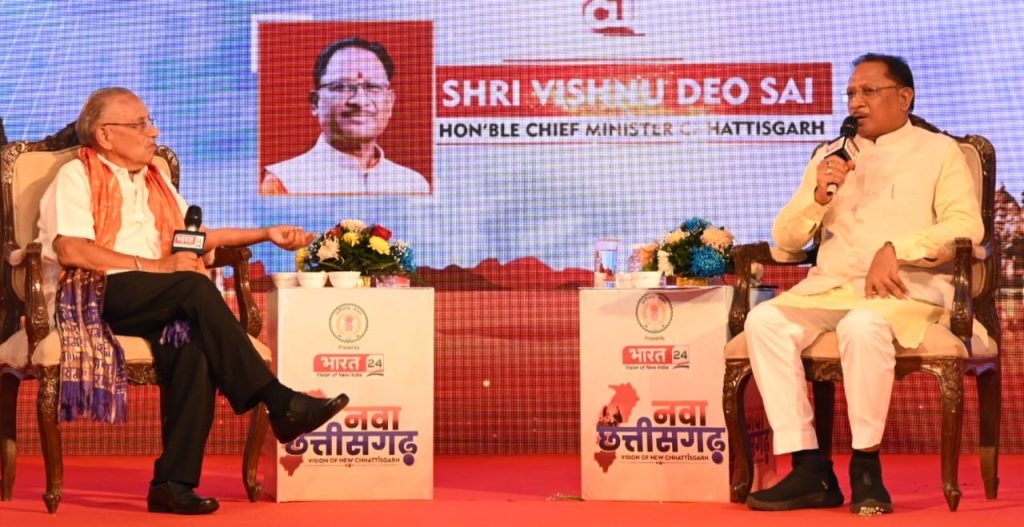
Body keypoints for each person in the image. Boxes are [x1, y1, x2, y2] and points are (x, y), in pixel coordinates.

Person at [35, 87, 350, 515]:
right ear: (105, 135)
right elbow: (71, 249)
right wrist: (156, 266)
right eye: (140, 124)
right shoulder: (76, 175)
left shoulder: (155, 180)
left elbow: (193, 240)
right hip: (93, 293)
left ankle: (173, 484)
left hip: (161, 297)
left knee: (195, 347)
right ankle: (280, 402)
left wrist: (265, 233)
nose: (154, 132)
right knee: (192, 286)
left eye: (150, 122)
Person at [743, 54, 983, 514]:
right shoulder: (830, 155)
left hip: (902, 291)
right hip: (830, 287)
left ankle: (866, 465)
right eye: (851, 92)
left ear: (904, 97)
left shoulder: (938, 152)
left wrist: (898, 248)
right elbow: (786, 238)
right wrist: (818, 196)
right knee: (764, 322)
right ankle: (809, 466)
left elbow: (966, 227)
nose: (856, 102)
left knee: (862, 325)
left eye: (869, 91)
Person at [261, 36, 429, 195]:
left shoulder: (413, 184)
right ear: (315, 102)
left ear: (390, 102)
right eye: (341, 87)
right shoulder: (284, 182)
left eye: (373, 87)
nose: (360, 101)